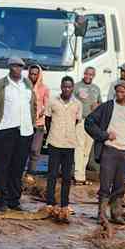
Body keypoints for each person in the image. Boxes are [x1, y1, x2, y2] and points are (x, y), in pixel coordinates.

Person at [84, 80, 125, 232]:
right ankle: (101, 214)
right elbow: (89, 122)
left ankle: (116, 213)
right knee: (105, 184)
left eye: (122, 92)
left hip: (124, 152)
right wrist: (104, 135)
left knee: (120, 185)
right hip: (109, 150)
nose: (119, 94)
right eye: (118, 91)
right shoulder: (108, 106)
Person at [0, 58, 31, 212]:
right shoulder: (0, 85)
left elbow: (33, 104)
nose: (18, 69)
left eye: (20, 66)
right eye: (15, 66)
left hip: (24, 130)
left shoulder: (27, 84)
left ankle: (14, 200)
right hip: (5, 129)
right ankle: (1, 201)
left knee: (18, 167)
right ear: (9, 67)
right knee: (2, 167)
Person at [44, 76, 82, 208]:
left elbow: (77, 121)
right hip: (55, 142)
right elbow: (47, 120)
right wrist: (54, 132)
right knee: (52, 174)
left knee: (66, 176)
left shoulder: (77, 104)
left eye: (69, 87)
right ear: (61, 87)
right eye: (64, 86)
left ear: (73, 88)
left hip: (70, 144)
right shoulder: (52, 101)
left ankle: (64, 204)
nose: (67, 89)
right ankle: (50, 202)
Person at [73, 67, 102, 185]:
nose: (88, 76)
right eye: (87, 74)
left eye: (91, 74)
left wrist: (97, 106)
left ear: (94, 75)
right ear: (84, 74)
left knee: (87, 148)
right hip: (81, 120)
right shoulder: (77, 86)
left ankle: (82, 174)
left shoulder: (96, 89)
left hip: (92, 122)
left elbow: (100, 103)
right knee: (79, 147)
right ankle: (77, 175)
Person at [28, 63, 48, 180]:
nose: (33, 76)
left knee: (35, 149)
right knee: (23, 149)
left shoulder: (44, 89)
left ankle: (31, 173)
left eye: (36, 74)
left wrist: (43, 111)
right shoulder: (24, 86)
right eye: (31, 74)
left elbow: (47, 104)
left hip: (39, 124)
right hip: (25, 123)